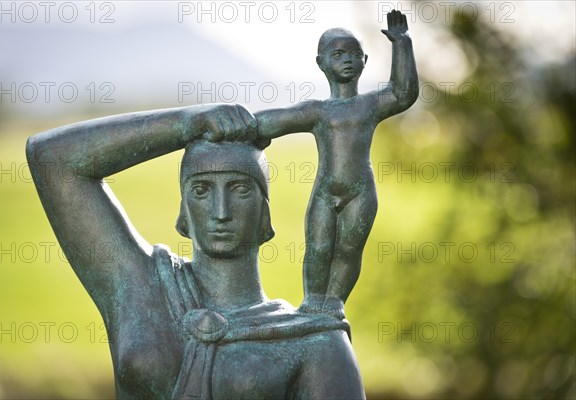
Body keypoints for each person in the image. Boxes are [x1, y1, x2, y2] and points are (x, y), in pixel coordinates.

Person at [26, 104, 365, 399]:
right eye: (201, 191)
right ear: (183, 212)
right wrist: (188, 124)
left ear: (266, 216)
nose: (221, 211)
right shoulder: (143, 287)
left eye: (240, 189)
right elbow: (52, 159)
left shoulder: (313, 342)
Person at [254, 10, 419, 319]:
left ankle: (334, 302)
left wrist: (402, 44)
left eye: (354, 54)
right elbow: (272, 121)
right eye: (338, 54)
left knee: (348, 251)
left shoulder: (369, 105)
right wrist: (241, 125)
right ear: (321, 63)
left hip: (360, 192)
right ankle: (312, 301)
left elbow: (403, 92)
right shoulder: (318, 112)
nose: (347, 60)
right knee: (317, 248)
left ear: (365, 61)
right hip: (325, 192)